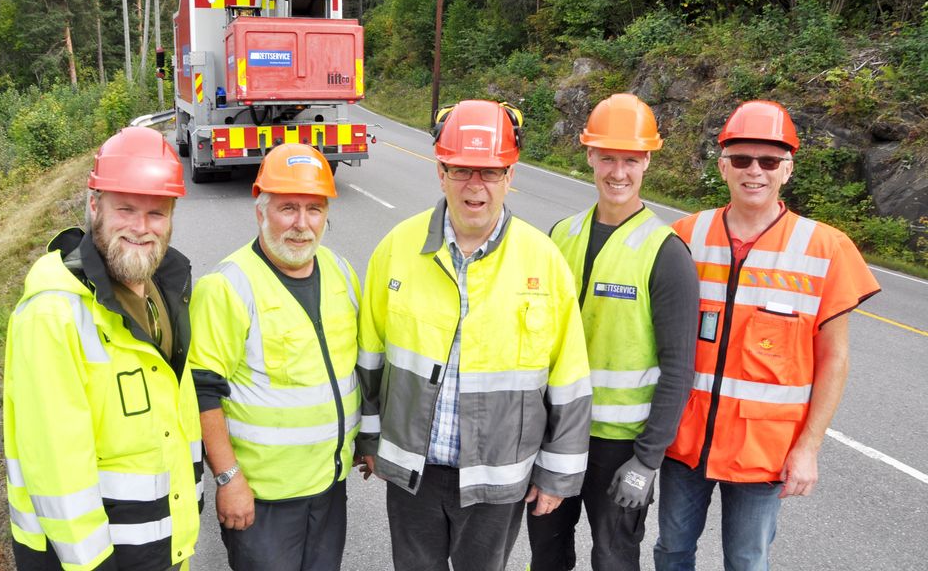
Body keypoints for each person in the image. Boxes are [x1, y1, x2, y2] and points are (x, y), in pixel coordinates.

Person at [355, 99, 591, 571]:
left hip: (497, 477)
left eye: (491, 171)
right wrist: (369, 442)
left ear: (511, 174)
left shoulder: (543, 261)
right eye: (462, 170)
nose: (475, 186)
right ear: (439, 171)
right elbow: (370, 359)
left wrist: (557, 473)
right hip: (413, 473)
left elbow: (569, 377)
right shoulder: (396, 250)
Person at [653, 100, 881, 571]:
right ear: (723, 167)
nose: (754, 171)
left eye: (769, 161)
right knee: (672, 551)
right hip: (684, 442)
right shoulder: (684, 236)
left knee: (746, 560)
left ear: (787, 170)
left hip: (764, 454)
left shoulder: (825, 249)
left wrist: (808, 449)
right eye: (741, 159)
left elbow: (834, 360)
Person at [3, 126, 202, 570]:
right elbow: (58, 471)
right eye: (125, 209)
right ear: (94, 206)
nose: (141, 228)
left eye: (156, 213)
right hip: (89, 558)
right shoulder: (54, 313)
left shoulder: (164, 291)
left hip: (160, 546)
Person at [527, 93, 699, 570]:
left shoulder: (666, 253)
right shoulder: (562, 234)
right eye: (607, 158)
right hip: (555, 431)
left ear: (647, 161)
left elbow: (679, 369)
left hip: (620, 445)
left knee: (614, 559)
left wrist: (647, 461)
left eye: (630, 159)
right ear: (589, 156)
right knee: (546, 553)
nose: (617, 172)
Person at [187, 143, 362, 571]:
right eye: (288, 208)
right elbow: (203, 392)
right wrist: (228, 479)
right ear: (260, 210)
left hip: (328, 484)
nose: (302, 225)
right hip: (262, 496)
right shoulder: (227, 287)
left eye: (314, 209)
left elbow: (353, 369)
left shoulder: (340, 272)